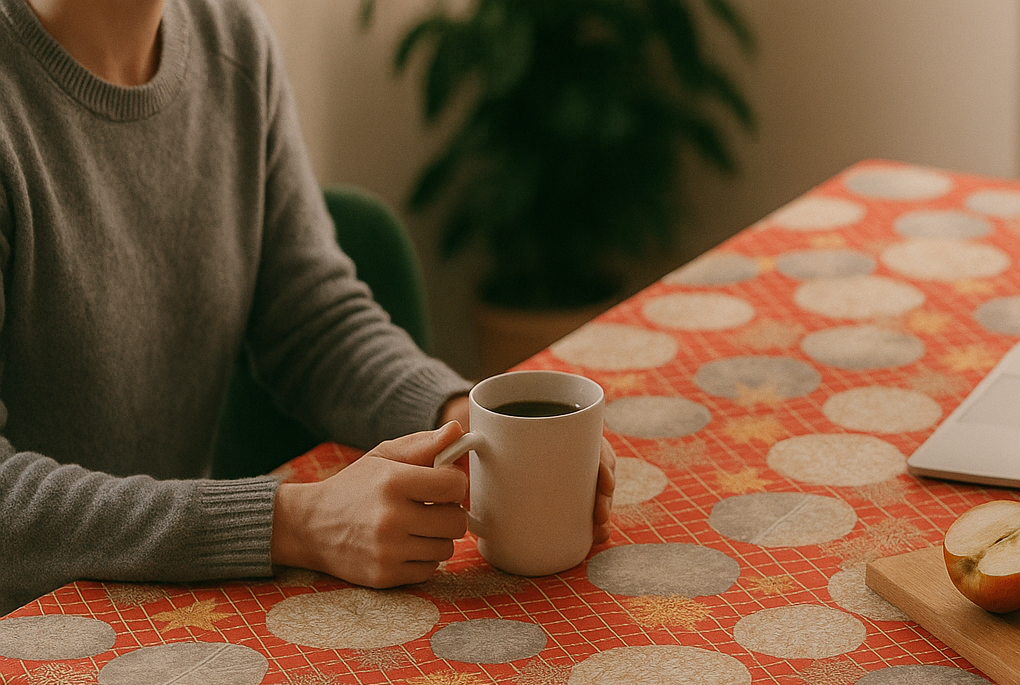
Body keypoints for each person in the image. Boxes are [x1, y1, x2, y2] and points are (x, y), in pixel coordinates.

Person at [0, 0, 615, 619]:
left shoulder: (231, 39)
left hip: (171, 611)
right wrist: (294, 522)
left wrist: (476, 424)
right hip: (30, 650)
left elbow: (312, 322)